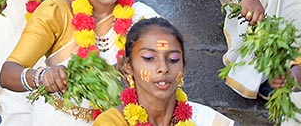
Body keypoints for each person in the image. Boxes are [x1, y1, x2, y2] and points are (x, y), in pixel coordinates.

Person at [0, 0, 157, 123]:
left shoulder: (142, 18)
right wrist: (43, 77)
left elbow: (169, 71)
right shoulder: (56, 13)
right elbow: (8, 73)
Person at [94, 19, 233, 126]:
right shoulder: (111, 122)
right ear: (128, 65)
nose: (163, 67)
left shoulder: (206, 120)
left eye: (173, 59)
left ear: (183, 67)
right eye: (149, 58)